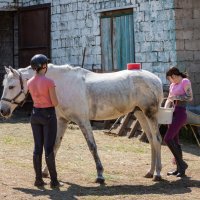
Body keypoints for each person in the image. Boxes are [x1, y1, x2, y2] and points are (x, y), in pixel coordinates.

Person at [27, 54, 62, 188]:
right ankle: (54, 181)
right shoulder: (49, 81)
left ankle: (38, 180)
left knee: (37, 148)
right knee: (48, 149)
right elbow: (54, 102)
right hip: (48, 115)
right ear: (44, 66)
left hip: (35, 114)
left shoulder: (29, 82)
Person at [164, 66, 193, 177]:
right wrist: (165, 109)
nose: (170, 81)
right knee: (175, 141)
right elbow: (169, 99)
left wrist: (176, 97)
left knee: (167, 138)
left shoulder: (185, 81)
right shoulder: (172, 85)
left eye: (169, 79)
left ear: (173, 76)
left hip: (181, 113)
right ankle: (179, 168)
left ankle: (182, 164)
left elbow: (189, 97)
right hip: (172, 113)